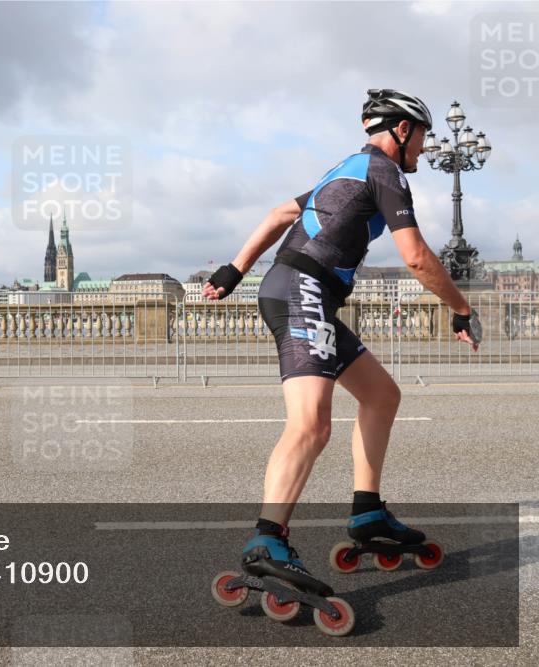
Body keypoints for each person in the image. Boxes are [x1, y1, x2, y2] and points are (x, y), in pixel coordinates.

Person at [204, 89, 481, 593]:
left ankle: (367, 512)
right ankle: (267, 540)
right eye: (422, 136)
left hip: (304, 291)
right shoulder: (385, 172)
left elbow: (278, 215)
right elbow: (416, 257)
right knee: (311, 423)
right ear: (402, 130)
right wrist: (461, 308)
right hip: (303, 290)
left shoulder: (347, 169)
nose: (424, 147)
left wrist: (233, 271)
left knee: (382, 395)